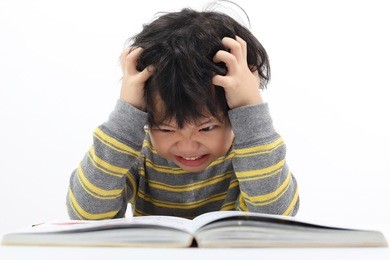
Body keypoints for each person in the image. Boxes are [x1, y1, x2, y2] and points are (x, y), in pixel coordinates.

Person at [66, 4, 299, 220]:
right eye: (166, 129)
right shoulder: (136, 156)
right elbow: (85, 216)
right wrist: (128, 112)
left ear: (235, 115)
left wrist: (250, 106)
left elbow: (275, 218)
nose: (188, 147)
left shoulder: (253, 156)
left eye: (207, 127)